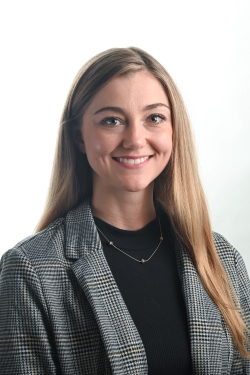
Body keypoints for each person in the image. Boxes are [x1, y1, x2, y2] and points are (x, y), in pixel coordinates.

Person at [0, 47, 249, 375]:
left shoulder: (221, 260)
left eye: (154, 118)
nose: (135, 139)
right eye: (111, 120)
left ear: (174, 130)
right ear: (78, 136)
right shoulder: (29, 271)